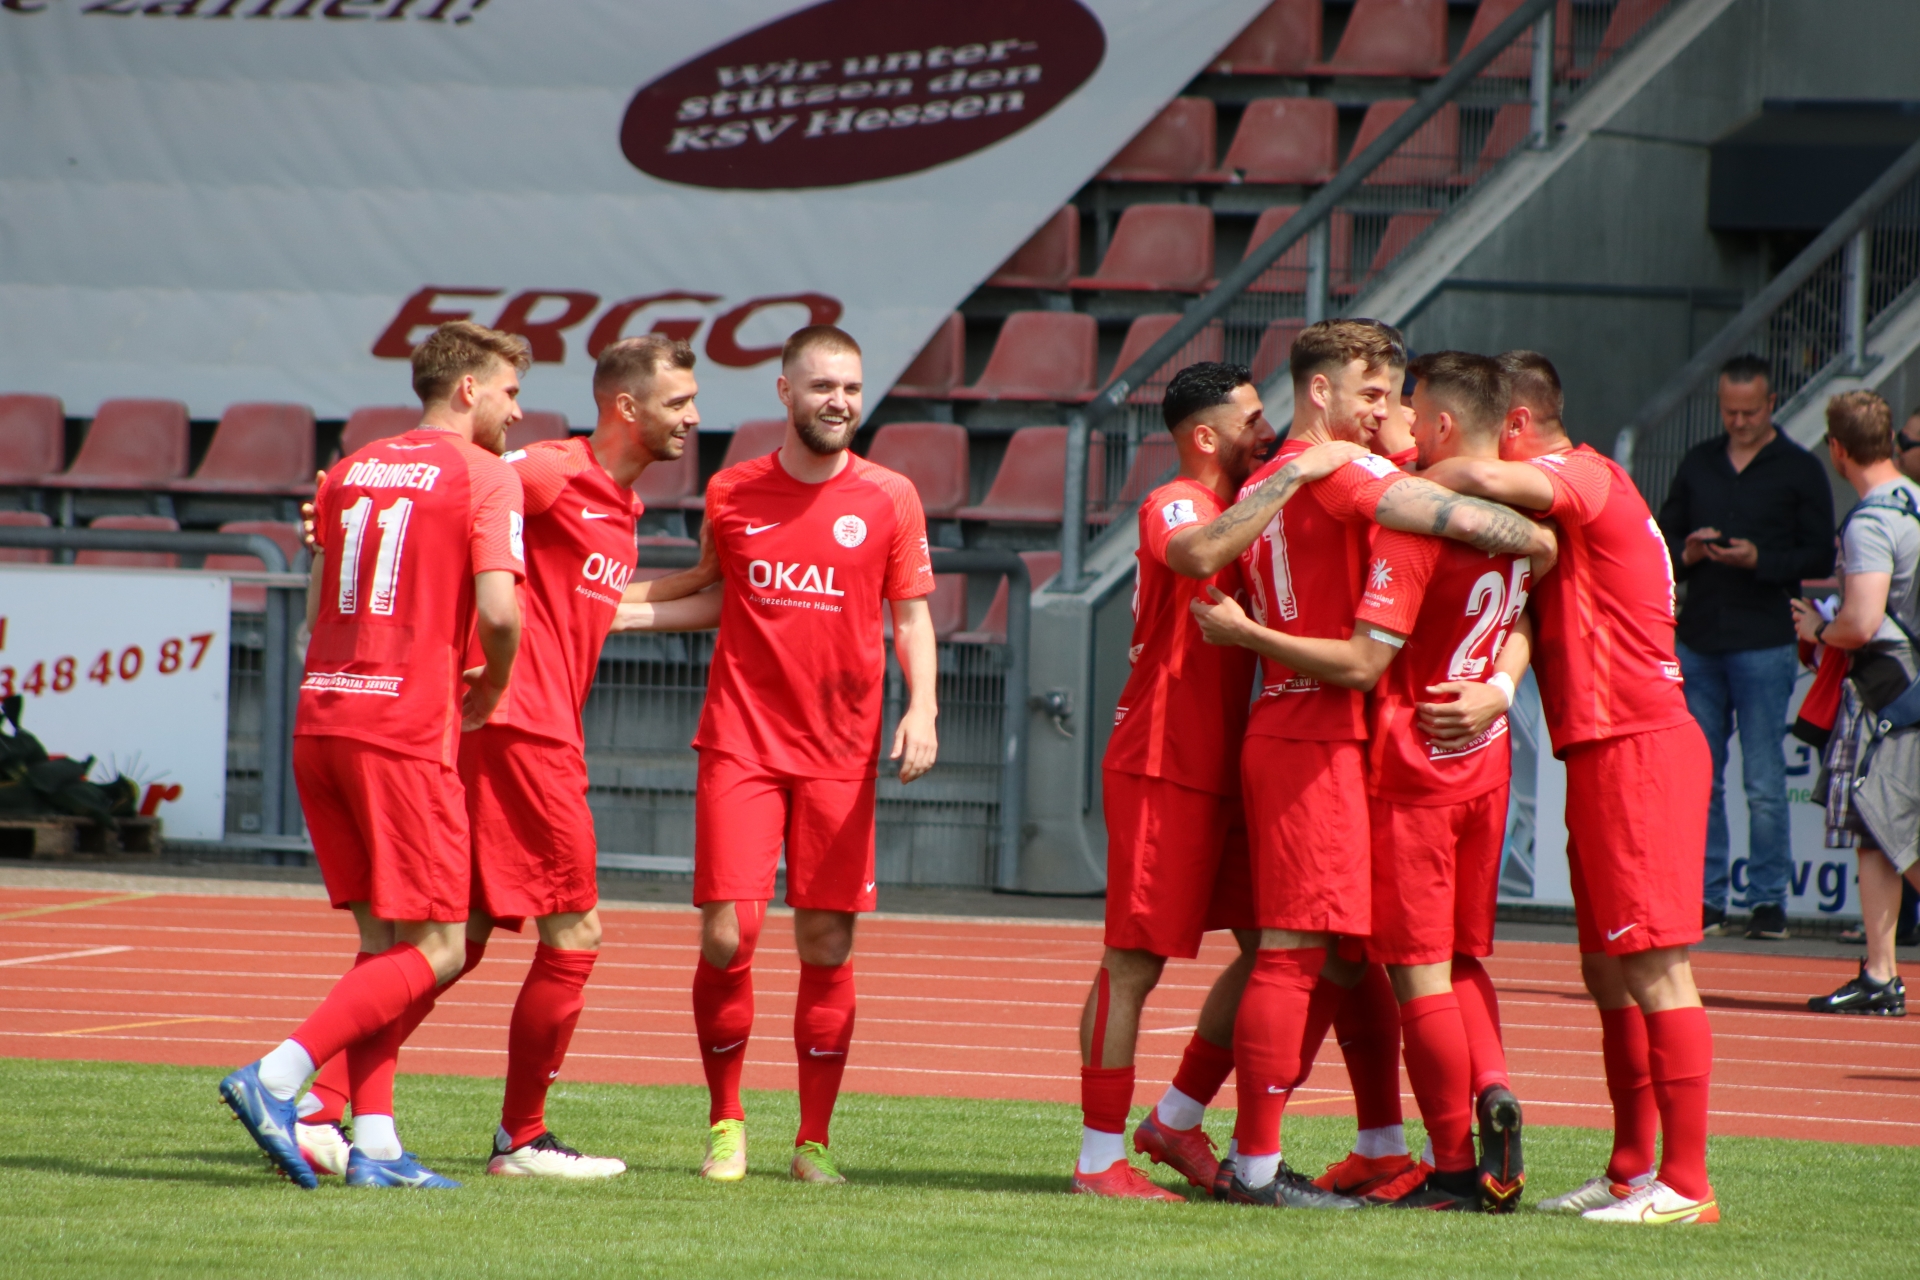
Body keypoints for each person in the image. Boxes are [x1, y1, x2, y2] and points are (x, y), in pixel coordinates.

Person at [289, 336, 717, 1181]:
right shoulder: (547, 472)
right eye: (679, 403)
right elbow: (450, 498)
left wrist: (712, 580)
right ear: (627, 407)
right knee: (576, 933)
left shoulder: (620, 507)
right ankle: (521, 1137)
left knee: (462, 936)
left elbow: (598, 604)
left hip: (512, 729)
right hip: (520, 728)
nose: (694, 418)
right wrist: (341, 518)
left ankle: (320, 1105)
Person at [1165, 320, 1555, 1210]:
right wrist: (1540, 543)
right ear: (1320, 393)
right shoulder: (1348, 472)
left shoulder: (1276, 478)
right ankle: (1259, 1168)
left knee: (1340, 959)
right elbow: (1454, 517)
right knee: (1297, 956)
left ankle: (1371, 1144)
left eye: (1394, 395)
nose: (1388, 412)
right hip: (1319, 734)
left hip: (1307, 732)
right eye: (1372, 394)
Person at [219, 321, 529, 1190]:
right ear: (468, 389)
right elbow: (501, 615)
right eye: (509, 390)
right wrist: (494, 683)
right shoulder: (485, 474)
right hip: (404, 729)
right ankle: (279, 1077)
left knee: (382, 945)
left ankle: (379, 1147)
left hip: (323, 720)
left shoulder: (353, 467)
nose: (517, 409)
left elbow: (321, 593)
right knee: (439, 948)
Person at [1420, 351, 1718, 1226]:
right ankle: (1632, 1168)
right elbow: (1524, 608)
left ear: (1516, 426)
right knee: (1608, 971)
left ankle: (1688, 1184)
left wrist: (1379, 466)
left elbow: (1475, 473)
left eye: (1484, 428)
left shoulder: (1580, 472)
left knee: (1657, 968)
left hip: (1638, 746)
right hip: (1601, 751)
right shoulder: (1566, 492)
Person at [1070, 363, 1364, 1200]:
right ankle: (1098, 1163)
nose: (1266, 434)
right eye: (1249, 421)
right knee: (1133, 966)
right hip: (1166, 760)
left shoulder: (1246, 507)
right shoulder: (1180, 500)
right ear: (1205, 437)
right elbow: (1195, 551)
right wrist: (1295, 474)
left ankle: (1177, 1118)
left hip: (1240, 763)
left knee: (1290, 952)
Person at [683, 325, 938, 1186]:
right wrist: (599, 611)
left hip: (841, 750)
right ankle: (727, 1122)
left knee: (826, 943)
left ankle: (813, 1141)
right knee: (731, 934)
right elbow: (712, 595)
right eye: (822, 386)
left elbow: (909, 615)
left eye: (851, 388)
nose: (839, 401)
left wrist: (924, 708)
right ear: (785, 393)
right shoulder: (730, 491)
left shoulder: (891, 496)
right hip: (742, 740)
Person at [1658, 354, 1834, 940]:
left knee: (1763, 780)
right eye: (1729, 412)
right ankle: (1706, 898)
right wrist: (1690, 551)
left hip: (1762, 637)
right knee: (1699, 778)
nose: (1738, 421)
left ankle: (1766, 901)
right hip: (1701, 634)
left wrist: (1763, 562)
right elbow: (1664, 530)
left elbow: (1819, 555)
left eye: (1749, 412)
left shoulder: (1798, 469)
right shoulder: (1700, 461)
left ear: (1772, 403)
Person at [1796, 391, 1920, 1017]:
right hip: (1909, 686)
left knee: (1899, 832)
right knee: (1879, 829)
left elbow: (1863, 621)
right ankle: (1879, 972)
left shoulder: (1871, 521)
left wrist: (1820, 630)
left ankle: (1880, 973)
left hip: (1887, 693)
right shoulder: (1917, 503)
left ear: (1838, 449)